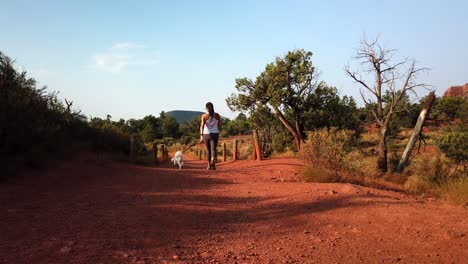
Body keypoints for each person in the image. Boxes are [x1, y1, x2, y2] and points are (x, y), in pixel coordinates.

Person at [200, 102, 221, 170]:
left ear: (206, 108)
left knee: (208, 150)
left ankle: (209, 165)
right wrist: (216, 130)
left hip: (206, 134)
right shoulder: (217, 115)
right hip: (215, 133)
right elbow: (219, 125)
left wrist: (201, 135)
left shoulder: (204, 116)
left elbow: (202, 126)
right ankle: (212, 161)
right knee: (213, 149)